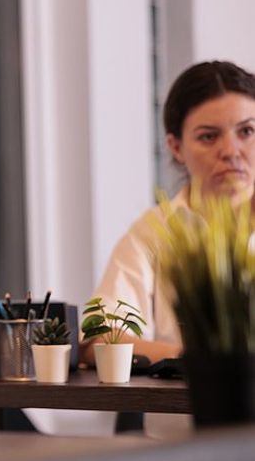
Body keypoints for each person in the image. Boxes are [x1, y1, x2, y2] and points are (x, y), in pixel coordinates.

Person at [86, 60, 255, 365]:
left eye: (247, 131)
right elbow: (100, 337)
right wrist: (203, 364)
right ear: (176, 147)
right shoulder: (154, 233)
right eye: (208, 136)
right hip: (184, 410)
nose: (231, 150)